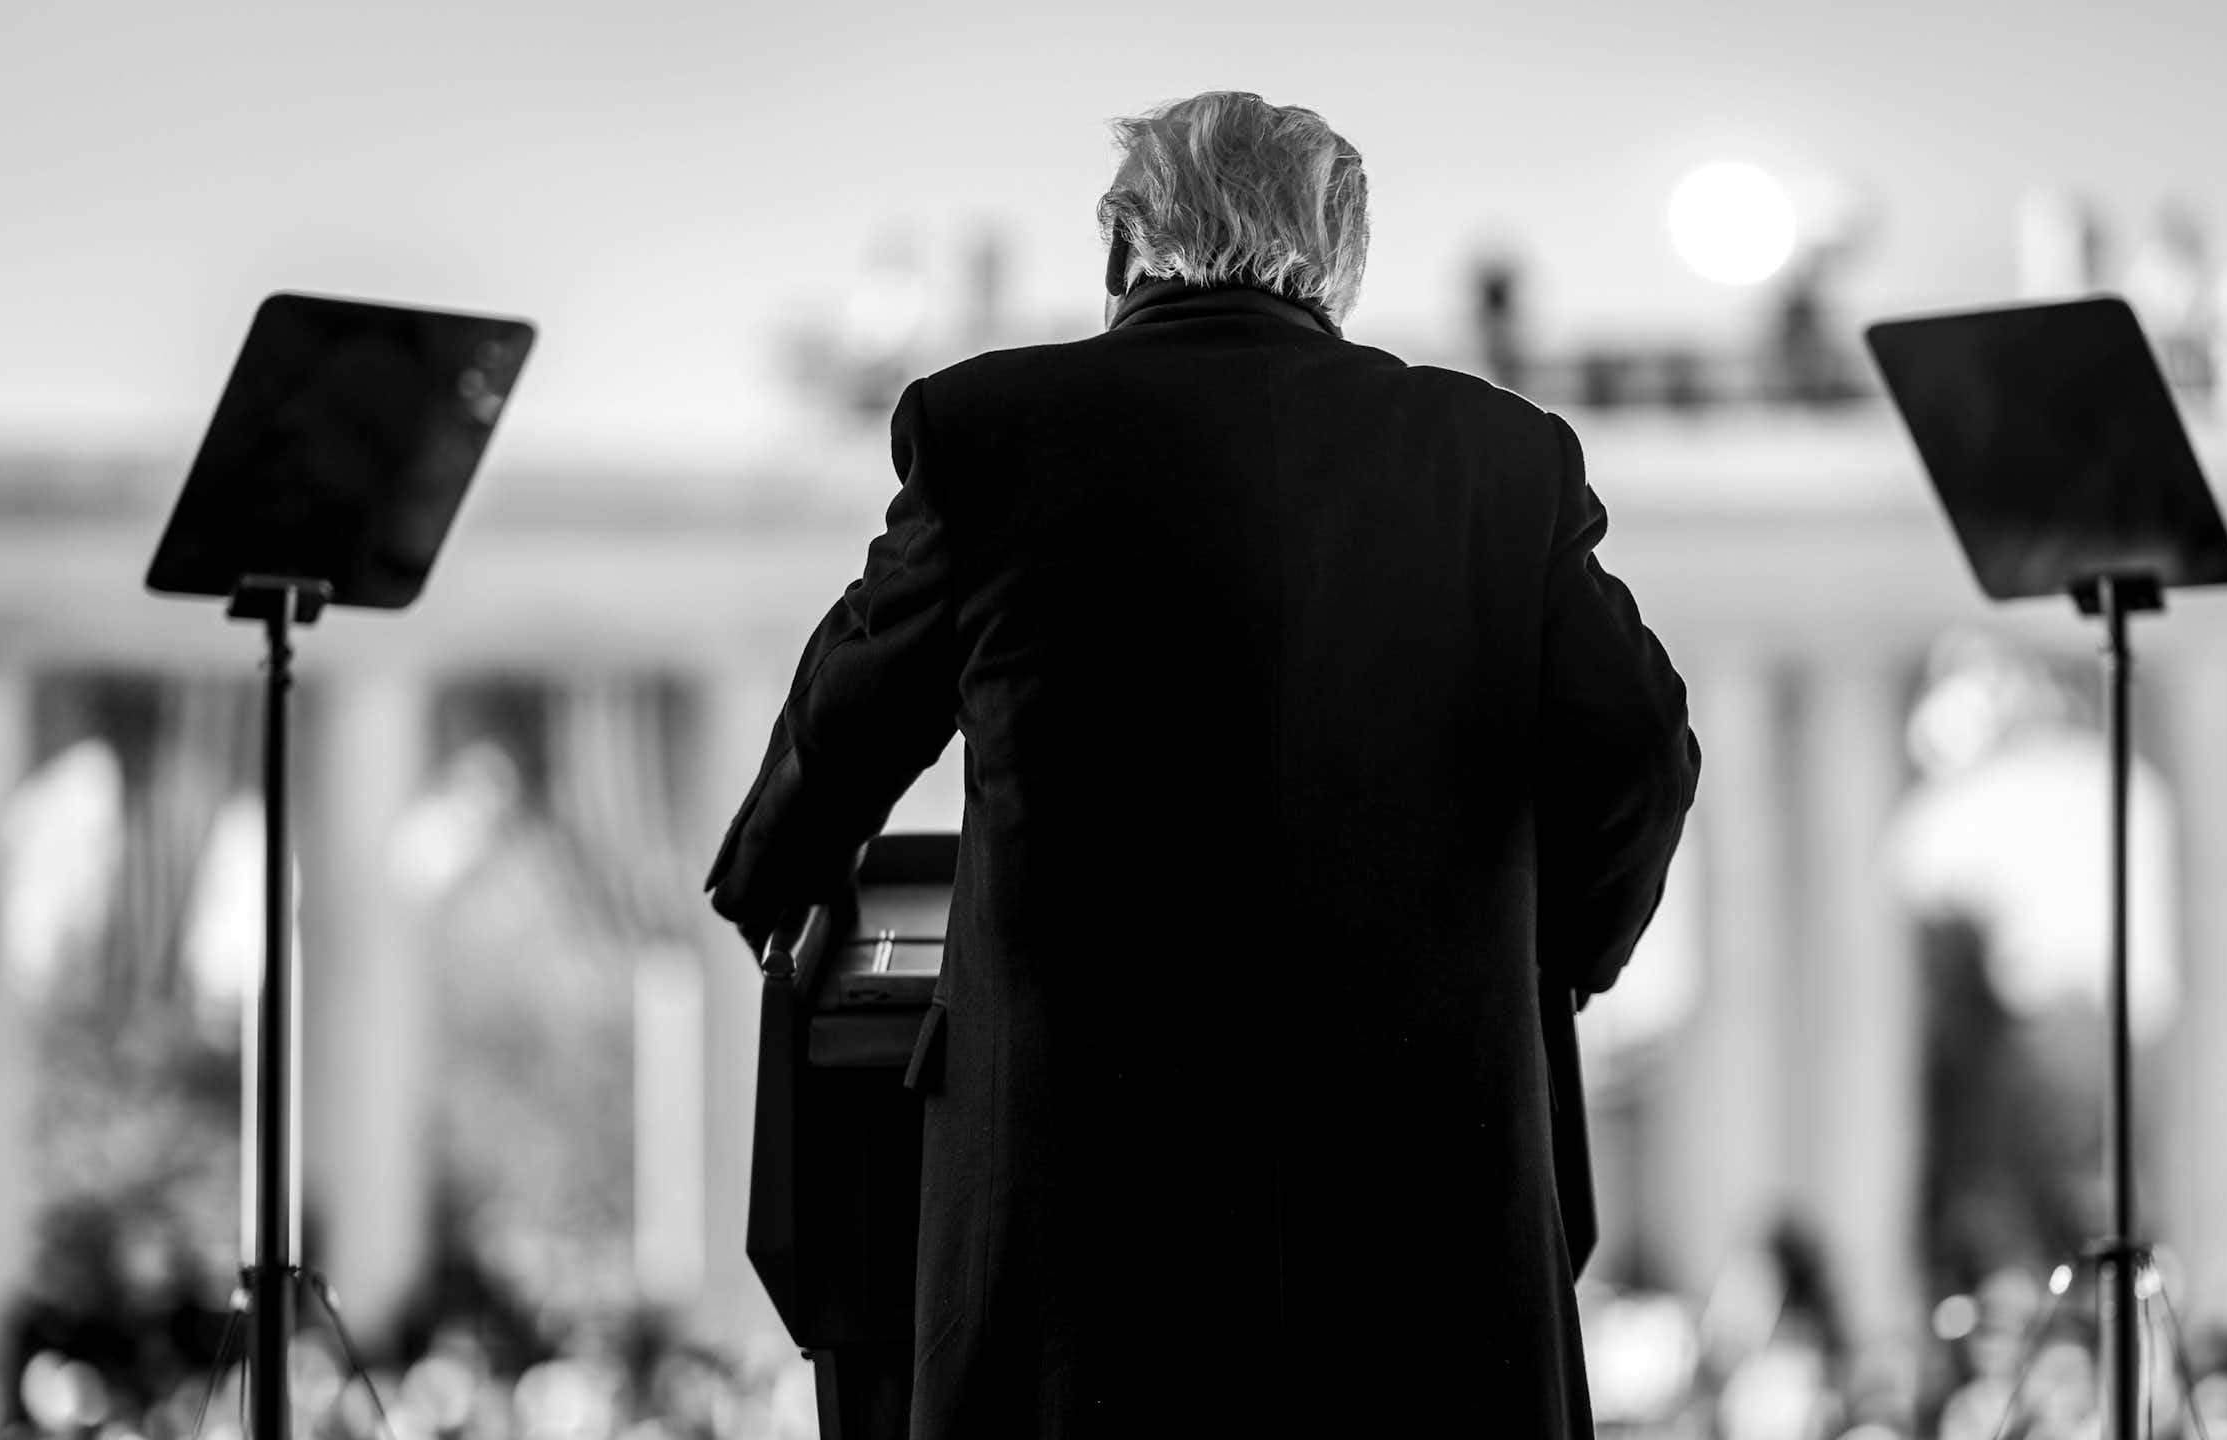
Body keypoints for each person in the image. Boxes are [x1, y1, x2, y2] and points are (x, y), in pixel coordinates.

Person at [704, 90, 1700, 1439]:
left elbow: (847, 721)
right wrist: (1558, 960)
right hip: (1421, 1215)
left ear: (1122, 250)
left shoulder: (990, 433)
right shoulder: (1493, 456)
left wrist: (771, 886)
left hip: (1082, 1216)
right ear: (1340, 270)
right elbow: (1641, 755)